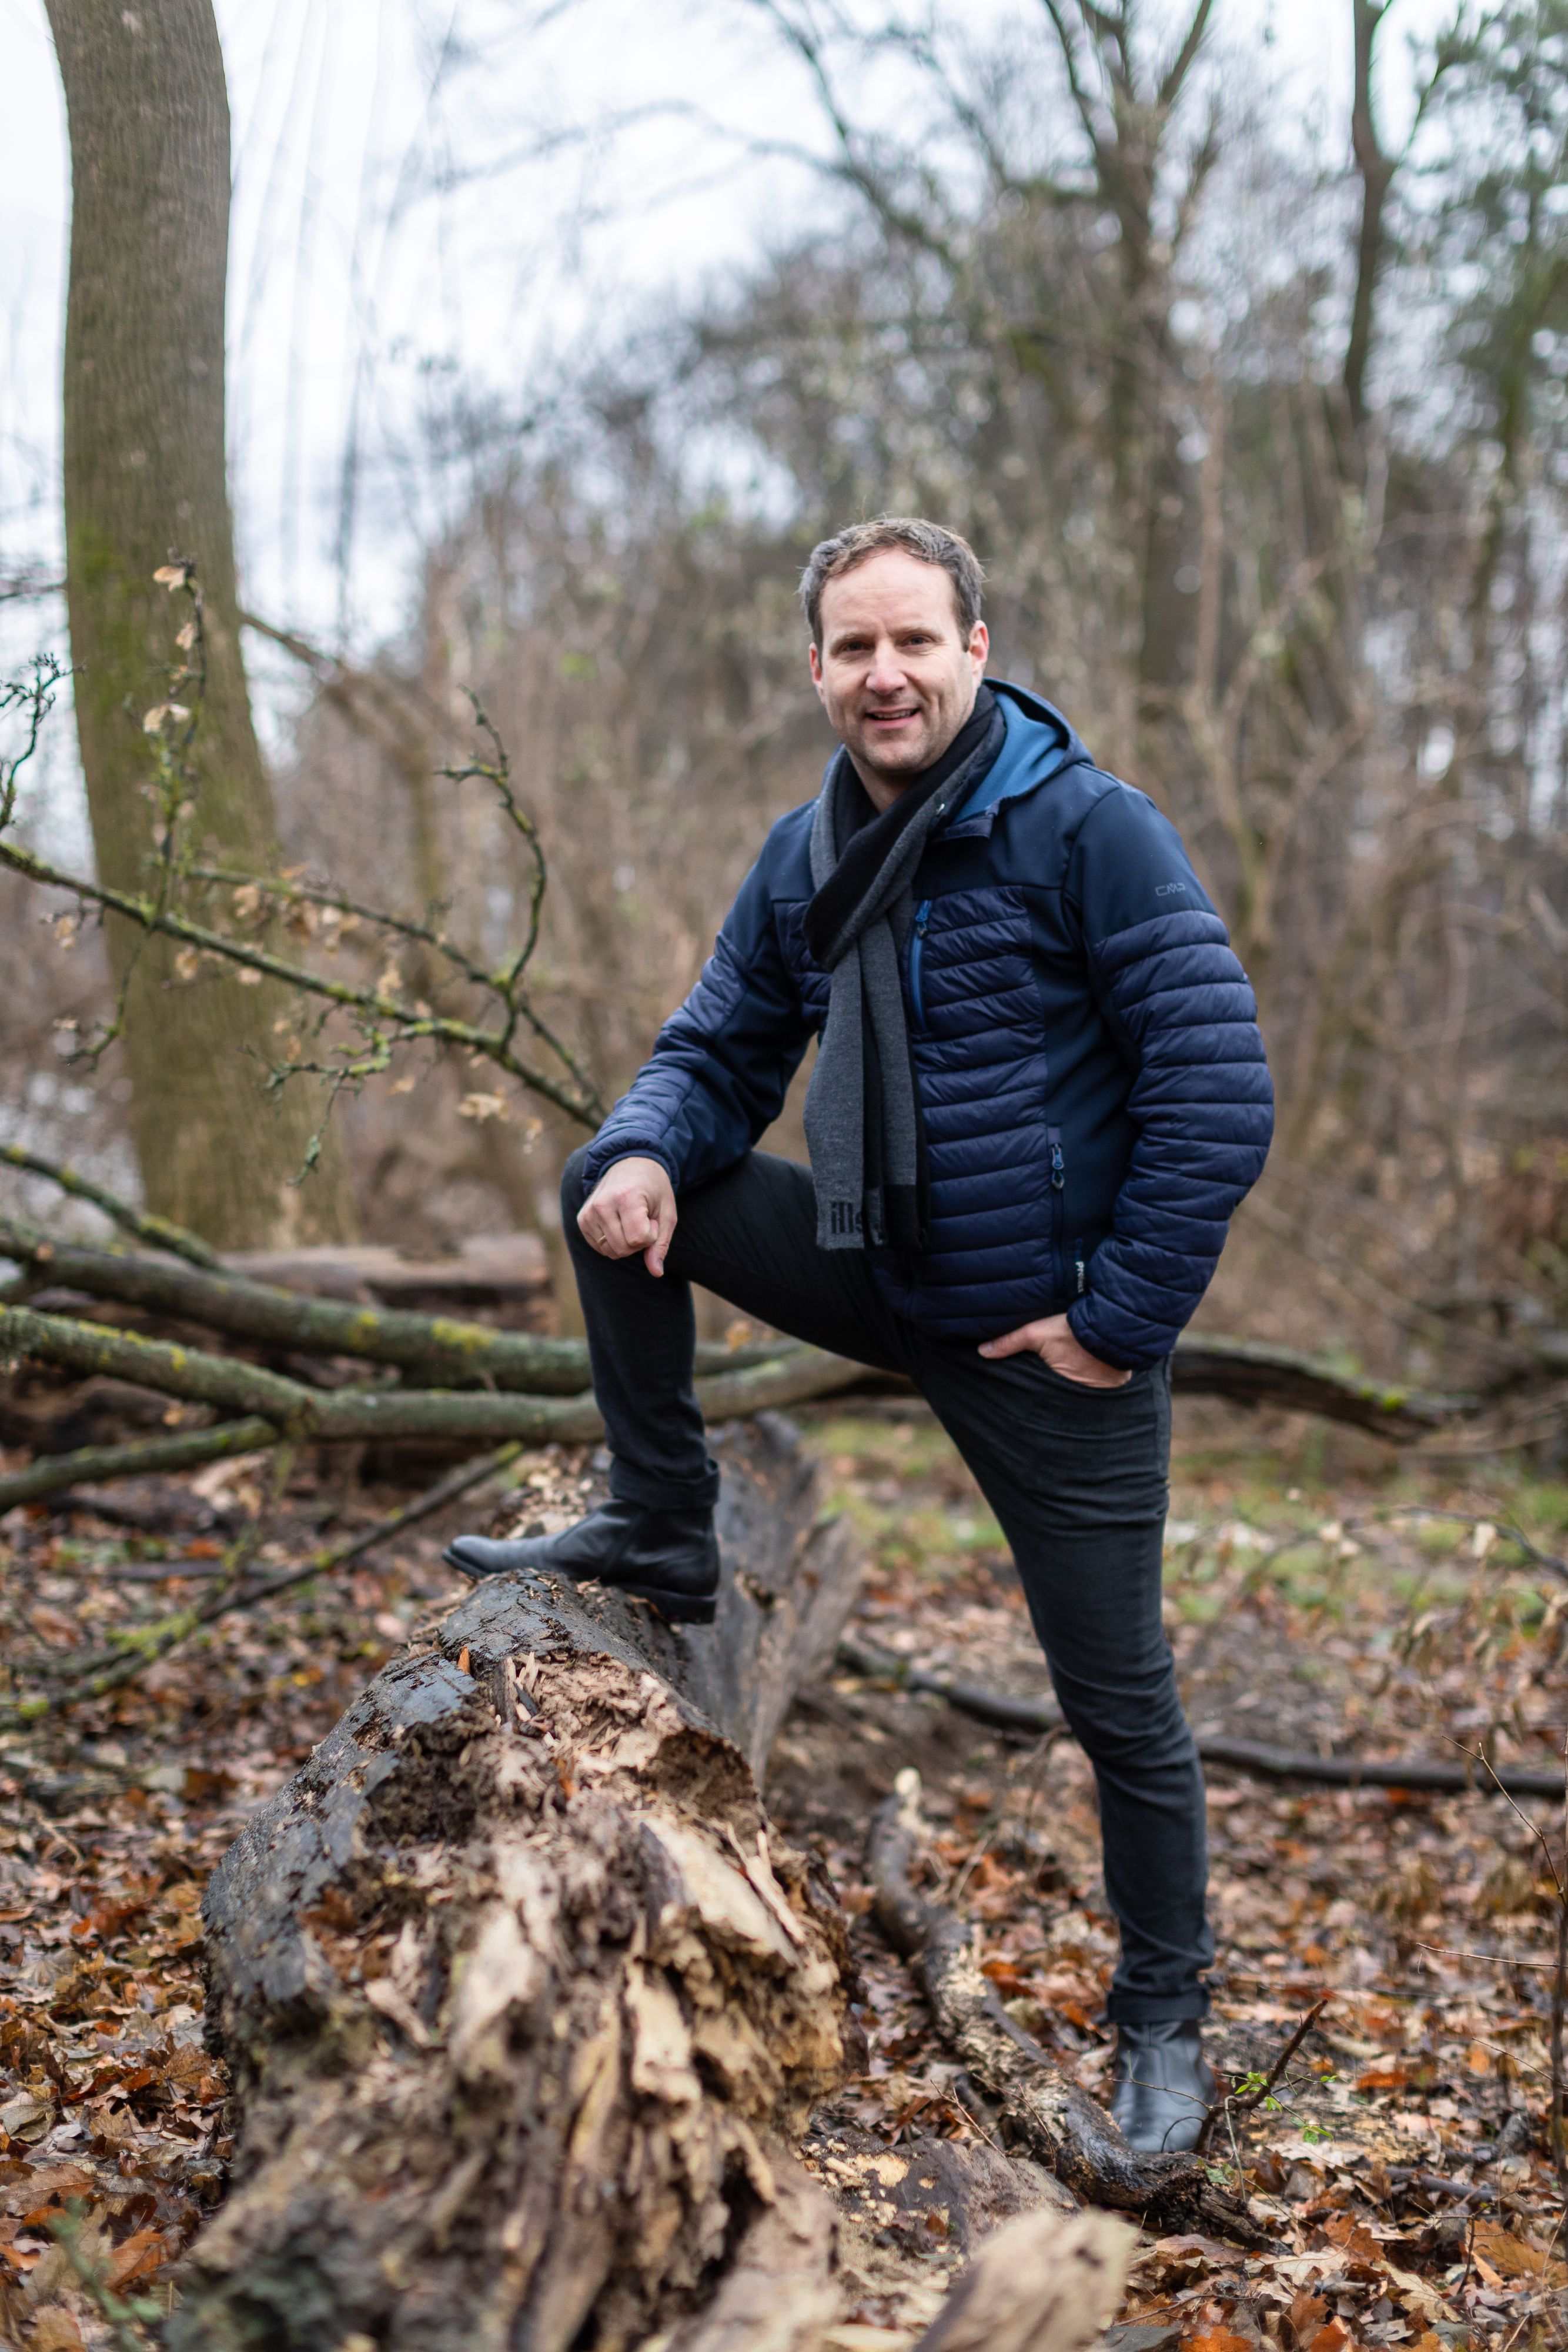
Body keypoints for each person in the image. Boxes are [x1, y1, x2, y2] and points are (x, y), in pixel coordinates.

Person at [446, 517, 1273, 2152]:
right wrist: (635, 1149)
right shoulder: (802, 851)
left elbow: (1215, 1086)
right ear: (813, 666)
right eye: (851, 648)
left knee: (1118, 1704)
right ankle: (665, 1526)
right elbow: (716, 1049)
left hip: (1049, 1345)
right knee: (610, 1179)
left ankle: (1164, 2030)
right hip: (871, 1265)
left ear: (976, 648)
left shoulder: (1084, 831)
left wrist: (1115, 1319)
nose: (882, 675)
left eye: (913, 641)